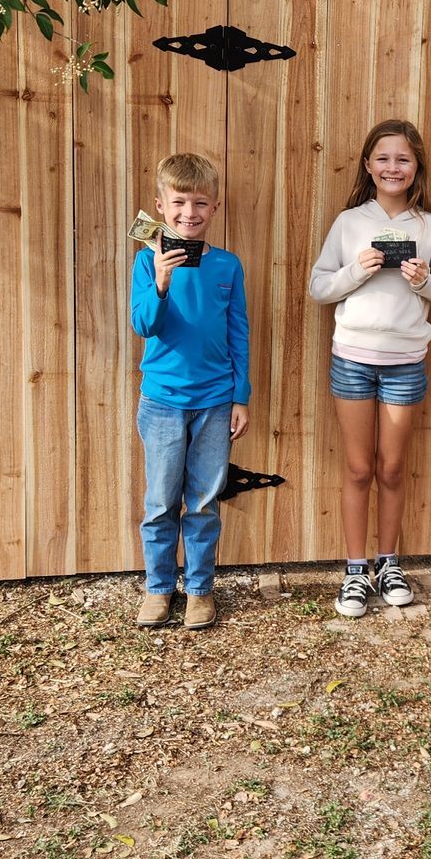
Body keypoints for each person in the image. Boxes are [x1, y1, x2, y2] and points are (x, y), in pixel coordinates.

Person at [308, 119, 431, 618]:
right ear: (367, 165)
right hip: (352, 360)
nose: (392, 167)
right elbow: (318, 287)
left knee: (392, 468)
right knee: (358, 468)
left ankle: (388, 563)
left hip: (405, 365)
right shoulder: (349, 221)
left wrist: (424, 283)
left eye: (403, 159)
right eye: (383, 158)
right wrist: (358, 270)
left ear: (416, 167)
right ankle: (356, 570)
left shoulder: (429, 227)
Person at [128, 152, 250, 631]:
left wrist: (241, 394)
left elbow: (238, 330)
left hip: (216, 402)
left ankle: (200, 590)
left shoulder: (227, 266)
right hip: (161, 400)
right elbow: (142, 324)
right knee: (160, 502)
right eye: (179, 202)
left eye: (201, 203)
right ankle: (158, 588)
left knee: (203, 500)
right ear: (160, 206)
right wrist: (161, 279)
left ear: (215, 207)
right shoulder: (145, 260)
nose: (189, 213)